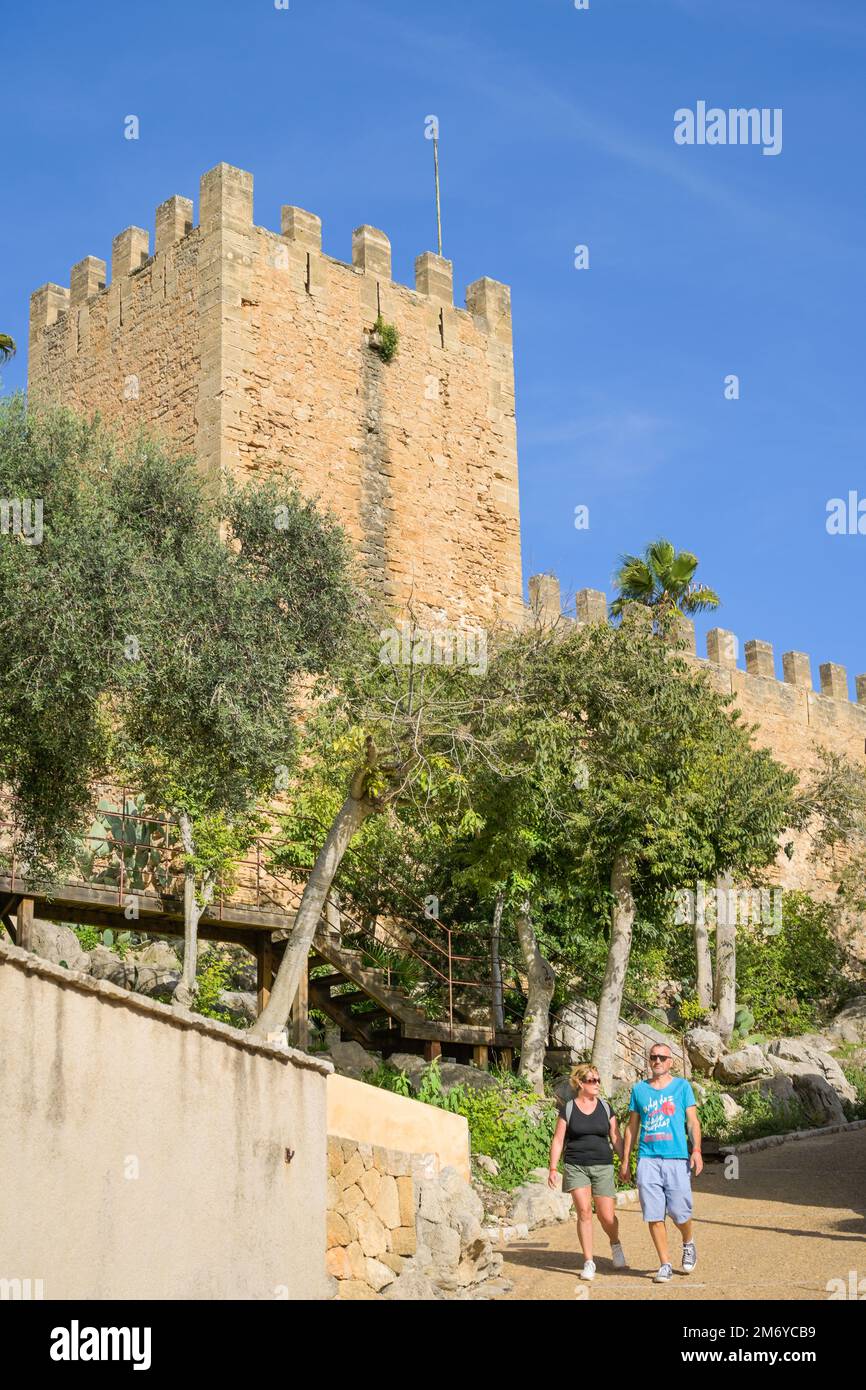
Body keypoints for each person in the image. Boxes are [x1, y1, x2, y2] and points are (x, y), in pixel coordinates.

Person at [620, 1043, 703, 1283]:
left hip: (676, 1158)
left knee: (679, 1212)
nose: (656, 1061)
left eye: (661, 1057)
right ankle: (664, 1263)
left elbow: (692, 1122)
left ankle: (688, 1242)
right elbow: (632, 1126)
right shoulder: (640, 1090)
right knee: (654, 1215)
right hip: (648, 1158)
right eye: (653, 1057)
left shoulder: (682, 1087)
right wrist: (626, 1159)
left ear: (670, 1062)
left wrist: (696, 1150)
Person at [548, 1061, 627, 1281]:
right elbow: (558, 1140)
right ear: (580, 1083)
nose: (597, 1084)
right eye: (592, 1080)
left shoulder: (605, 1107)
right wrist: (553, 1167)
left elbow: (616, 1137)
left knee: (606, 1215)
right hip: (576, 1165)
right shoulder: (569, 1108)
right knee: (583, 1212)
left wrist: (625, 1162)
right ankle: (589, 1261)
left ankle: (615, 1243)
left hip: (603, 1164)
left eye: (598, 1080)